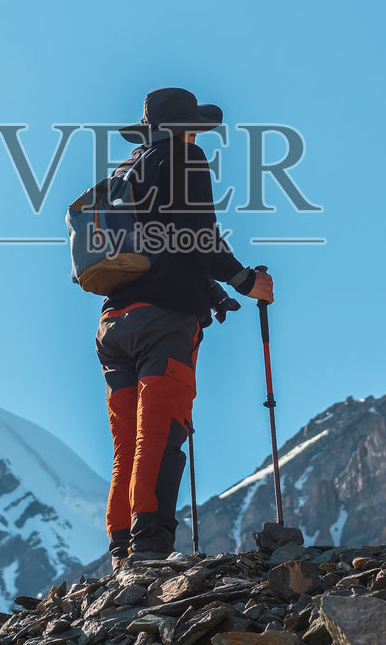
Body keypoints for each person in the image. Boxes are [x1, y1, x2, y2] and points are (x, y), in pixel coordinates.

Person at [95, 87, 273, 566]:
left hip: (114, 324)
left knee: (127, 441)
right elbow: (200, 233)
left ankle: (122, 551)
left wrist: (209, 294)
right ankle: (151, 549)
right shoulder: (185, 158)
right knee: (160, 432)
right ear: (185, 127)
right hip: (163, 325)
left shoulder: (127, 169)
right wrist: (243, 281)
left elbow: (161, 240)